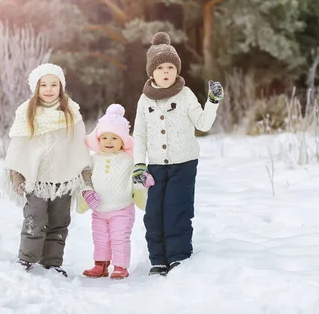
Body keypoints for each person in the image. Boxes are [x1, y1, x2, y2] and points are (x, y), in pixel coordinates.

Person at [132, 32, 224, 276]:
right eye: (160, 67)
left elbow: (203, 124)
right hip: (155, 167)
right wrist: (139, 164)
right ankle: (158, 260)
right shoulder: (144, 100)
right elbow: (139, 134)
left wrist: (212, 102)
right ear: (152, 72)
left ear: (177, 70)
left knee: (177, 210)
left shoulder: (185, 94)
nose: (166, 71)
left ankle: (178, 258)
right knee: (154, 215)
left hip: (184, 164)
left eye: (170, 67)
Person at [3, 63, 92, 277]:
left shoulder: (71, 112)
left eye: (54, 84)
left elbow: (79, 144)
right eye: (44, 85)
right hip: (36, 179)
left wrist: (85, 174)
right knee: (35, 217)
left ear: (61, 87)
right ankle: (26, 259)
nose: (49, 89)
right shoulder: (27, 112)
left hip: (63, 178)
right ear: (36, 87)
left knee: (59, 221)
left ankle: (52, 262)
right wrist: (16, 174)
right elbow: (18, 146)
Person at [76, 104, 153, 279]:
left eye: (114, 138)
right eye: (104, 138)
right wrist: (87, 193)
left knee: (119, 238)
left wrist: (145, 180)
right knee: (100, 238)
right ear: (98, 139)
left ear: (123, 141)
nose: (108, 142)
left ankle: (120, 266)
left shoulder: (129, 159)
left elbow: (140, 175)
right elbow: (84, 179)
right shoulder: (93, 159)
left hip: (122, 209)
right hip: (99, 209)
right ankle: (100, 265)